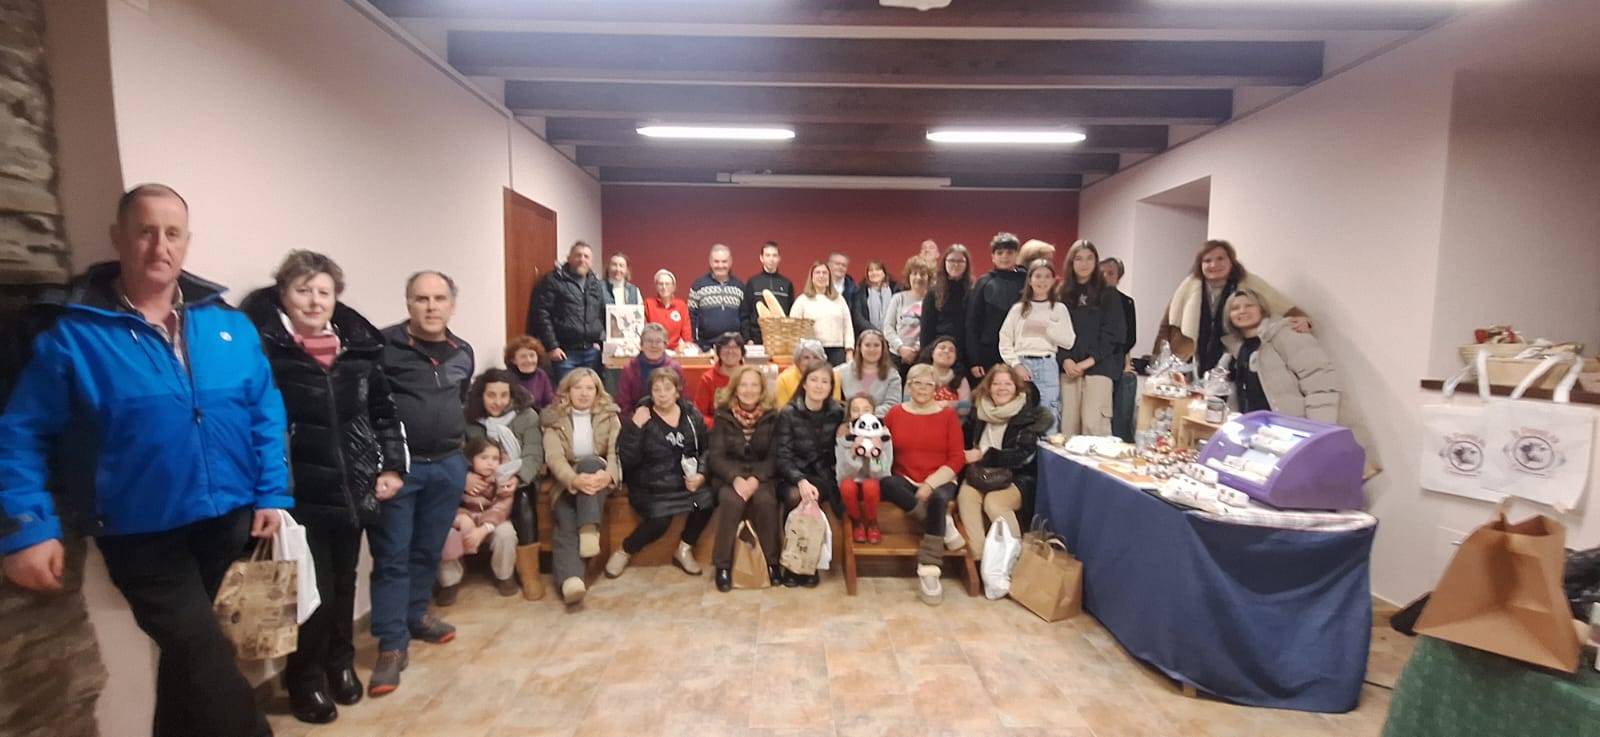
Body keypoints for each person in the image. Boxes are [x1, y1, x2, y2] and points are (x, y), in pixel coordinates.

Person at [0, 184, 289, 737]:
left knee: (191, 661)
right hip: (139, 533)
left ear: (186, 243)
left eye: (173, 233)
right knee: (203, 654)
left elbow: (264, 409)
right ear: (119, 238)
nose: (161, 245)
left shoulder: (225, 324)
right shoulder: (71, 334)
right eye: (146, 231)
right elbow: (20, 433)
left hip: (226, 521)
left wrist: (273, 490)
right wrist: (27, 528)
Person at [240, 250, 406, 724]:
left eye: (324, 292)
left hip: (353, 487)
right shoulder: (266, 351)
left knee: (344, 579)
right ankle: (304, 679)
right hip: (297, 493)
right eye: (303, 290)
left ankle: (340, 664)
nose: (314, 301)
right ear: (283, 296)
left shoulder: (358, 351)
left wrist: (391, 465)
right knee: (309, 593)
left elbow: (384, 414)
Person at [372, 269, 476, 695]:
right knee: (393, 555)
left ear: (452, 305)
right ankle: (391, 645)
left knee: (428, 550)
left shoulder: (462, 352)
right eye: (421, 299)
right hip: (401, 470)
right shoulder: (383, 347)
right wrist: (385, 465)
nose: (431, 307)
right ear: (408, 303)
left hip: (449, 465)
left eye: (439, 299)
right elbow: (372, 409)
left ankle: (416, 617)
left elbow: (460, 399)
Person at [1221, 290, 1381, 475]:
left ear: (1262, 309)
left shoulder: (1287, 335)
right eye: (1235, 308)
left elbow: (1320, 382)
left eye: (1249, 305)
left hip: (1295, 433)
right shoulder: (1237, 348)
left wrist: (1317, 431)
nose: (1242, 311)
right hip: (1262, 436)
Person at [610, 369, 712, 578]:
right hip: (651, 486)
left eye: (668, 389)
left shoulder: (691, 415)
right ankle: (625, 550)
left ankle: (684, 549)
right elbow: (627, 459)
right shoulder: (641, 417)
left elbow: (708, 450)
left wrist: (701, 474)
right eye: (657, 389)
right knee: (660, 520)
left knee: (709, 500)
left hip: (686, 483)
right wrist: (635, 428)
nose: (662, 394)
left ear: (677, 391)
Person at [880, 364, 968, 606]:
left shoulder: (947, 415)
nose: (922, 388)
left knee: (939, 499)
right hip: (905, 478)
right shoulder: (895, 414)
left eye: (928, 383)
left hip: (941, 478)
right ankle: (944, 526)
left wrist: (930, 484)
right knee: (887, 484)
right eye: (917, 382)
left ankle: (929, 568)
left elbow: (957, 457)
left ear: (936, 388)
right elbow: (881, 447)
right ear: (909, 386)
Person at [1155, 239, 1311, 373]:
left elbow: (1280, 305)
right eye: (1207, 261)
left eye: (1220, 259)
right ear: (1200, 265)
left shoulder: (1249, 283)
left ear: (1231, 261)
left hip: (1233, 360)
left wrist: (1303, 320)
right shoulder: (1189, 286)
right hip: (1188, 361)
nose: (1214, 264)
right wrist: (1156, 361)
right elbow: (1168, 324)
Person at [462, 368, 546, 600]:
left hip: (516, 476)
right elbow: (457, 453)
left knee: (525, 499)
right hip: (477, 479)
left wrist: (517, 478)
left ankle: (530, 574)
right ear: (481, 395)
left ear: (512, 395)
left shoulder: (527, 416)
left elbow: (533, 454)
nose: (497, 402)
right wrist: (465, 476)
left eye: (503, 395)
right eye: (491, 395)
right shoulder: (468, 418)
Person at [541, 368, 621, 606]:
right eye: (578, 388)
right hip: (567, 479)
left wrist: (609, 476)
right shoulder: (553, 418)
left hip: (600, 473)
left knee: (589, 462)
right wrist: (573, 480)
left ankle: (588, 530)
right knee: (565, 515)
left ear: (597, 391)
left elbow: (615, 452)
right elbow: (554, 457)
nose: (584, 394)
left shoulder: (609, 414)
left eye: (589, 388)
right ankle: (571, 581)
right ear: (568, 390)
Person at [957, 365, 1053, 562]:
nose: (1001, 388)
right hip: (979, 474)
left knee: (994, 502)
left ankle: (1016, 558)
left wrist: (986, 455)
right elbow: (964, 441)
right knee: (966, 496)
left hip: (1016, 477)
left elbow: (1023, 456)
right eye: (996, 384)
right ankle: (980, 556)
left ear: (1017, 388)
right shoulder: (979, 411)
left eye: (1007, 384)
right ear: (988, 387)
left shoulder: (1028, 416)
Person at [706, 365, 783, 592]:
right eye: (744, 385)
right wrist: (735, 478)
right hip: (730, 476)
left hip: (763, 475)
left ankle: (771, 562)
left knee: (765, 501)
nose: (749, 390)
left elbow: (775, 456)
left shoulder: (772, 416)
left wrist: (756, 478)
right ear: (735, 389)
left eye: (754, 385)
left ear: (762, 389)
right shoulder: (722, 414)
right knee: (732, 502)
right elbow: (716, 456)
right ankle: (723, 565)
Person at [774, 364, 846, 587]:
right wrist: (800, 479)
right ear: (804, 384)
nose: (819, 386)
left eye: (825, 381)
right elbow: (782, 455)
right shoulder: (788, 413)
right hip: (792, 474)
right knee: (796, 496)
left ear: (831, 387)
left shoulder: (838, 412)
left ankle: (810, 564)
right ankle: (793, 563)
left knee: (813, 496)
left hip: (824, 475)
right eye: (813, 380)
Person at [1055, 241, 1126, 437]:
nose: (1084, 264)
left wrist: (1088, 361)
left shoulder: (1108, 294)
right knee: (1069, 427)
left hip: (1099, 368)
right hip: (1069, 369)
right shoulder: (1061, 293)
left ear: (1096, 262)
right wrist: (1066, 359)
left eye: (1089, 258)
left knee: (1093, 426)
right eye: (1078, 258)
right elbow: (1054, 331)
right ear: (1071, 262)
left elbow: (1113, 334)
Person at [436, 438, 518, 601]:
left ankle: (504, 575)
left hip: (492, 522)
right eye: (484, 458)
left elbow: (502, 508)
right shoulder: (457, 479)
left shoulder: (503, 480)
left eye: (495, 459)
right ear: (471, 459)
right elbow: (445, 504)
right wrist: (461, 519)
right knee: (443, 535)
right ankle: (449, 581)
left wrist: (484, 528)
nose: (490, 463)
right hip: (462, 521)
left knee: (506, 534)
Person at [999, 259, 1076, 425]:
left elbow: (1069, 341)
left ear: (1053, 280)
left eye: (1047, 276)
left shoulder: (1059, 309)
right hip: (1022, 363)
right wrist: (1015, 364)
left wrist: (1046, 328)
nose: (1042, 281)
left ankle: (1046, 450)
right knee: (1021, 413)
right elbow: (1005, 340)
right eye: (1038, 276)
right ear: (1030, 280)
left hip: (1047, 365)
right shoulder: (1018, 309)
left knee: (1049, 414)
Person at [531, 240, 605, 380]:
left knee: (590, 394)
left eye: (586, 256)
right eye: (578, 255)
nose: (582, 259)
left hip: (592, 353)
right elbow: (542, 314)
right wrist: (552, 346)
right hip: (565, 353)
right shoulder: (553, 280)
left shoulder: (595, 284)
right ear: (569, 258)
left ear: (591, 261)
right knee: (566, 395)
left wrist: (599, 341)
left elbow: (600, 314)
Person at [966, 232, 1027, 381]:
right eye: (1000, 253)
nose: (1004, 257)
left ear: (1017, 255)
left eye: (1009, 252)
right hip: (988, 352)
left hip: (1020, 351)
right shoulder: (983, 283)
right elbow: (972, 324)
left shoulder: (1028, 281)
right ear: (992, 256)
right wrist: (975, 360)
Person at [836, 395, 892, 545]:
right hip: (851, 485)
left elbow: (885, 472)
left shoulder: (884, 434)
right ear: (849, 414)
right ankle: (857, 521)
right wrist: (853, 453)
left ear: (874, 412)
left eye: (866, 409)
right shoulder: (843, 435)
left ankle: (872, 522)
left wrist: (877, 454)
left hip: (874, 486)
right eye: (855, 410)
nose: (861, 414)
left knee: (871, 485)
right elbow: (841, 475)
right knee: (847, 485)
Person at [1099, 257, 1138, 442]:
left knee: (1119, 418)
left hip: (1117, 364)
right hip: (1094, 365)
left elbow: (1130, 338)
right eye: (1102, 272)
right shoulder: (1087, 301)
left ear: (1119, 277)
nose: (1105, 276)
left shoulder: (1126, 302)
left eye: (1111, 273)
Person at [790, 261, 854, 366]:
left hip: (837, 351)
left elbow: (847, 326)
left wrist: (849, 351)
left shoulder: (839, 299)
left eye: (824, 273)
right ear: (812, 278)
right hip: (812, 352)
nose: (821, 276)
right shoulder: (802, 300)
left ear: (829, 277)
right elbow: (793, 328)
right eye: (817, 272)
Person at [921, 244, 972, 368]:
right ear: (944, 262)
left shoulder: (973, 291)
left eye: (960, 261)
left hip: (966, 353)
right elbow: (927, 329)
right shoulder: (934, 292)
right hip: (939, 351)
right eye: (951, 260)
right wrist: (926, 358)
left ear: (966, 265)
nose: (956, 264)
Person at [615, 323, 686, 411]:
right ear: (641, 345)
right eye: (649, 341)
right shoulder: (629, 370)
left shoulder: (675, 368)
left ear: (665, 345)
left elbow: (683, 400)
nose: (653, 345)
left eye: (658, 341)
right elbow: (623, 405)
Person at [688, 244, 745, 350]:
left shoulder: (740, 286)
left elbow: (744, 318)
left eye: (724, 261)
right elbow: (691, 316)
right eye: (716, 261)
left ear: (730, 262)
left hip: (733, 346)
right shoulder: (699, 285)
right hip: (705, 346)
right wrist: (693, 341)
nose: (720, 265)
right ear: (710, 262)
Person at [886, 256, 934, 377]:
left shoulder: (933, 301)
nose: (918, 277)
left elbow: (932, 329)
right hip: (896, 356)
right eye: (914, 274)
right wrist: (901, 348)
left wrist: (916, 349)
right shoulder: (898, 298)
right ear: (909, 276)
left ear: (929, 278)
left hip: (921, 357)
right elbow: (888, 327)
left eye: (923, 274)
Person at [837, 329, 903, 415]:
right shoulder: (842, 371)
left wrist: (865, 412)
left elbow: (893, 405)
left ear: (883, 348)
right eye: (867, 345)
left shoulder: (892, 375)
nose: (872, 349)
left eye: (876, 345)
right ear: (859, 347)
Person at [742, 240, 795, 344]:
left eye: (774, 255)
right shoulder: (753, 282)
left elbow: (791, 313)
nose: (771, 259)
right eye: (768, 255)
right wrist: (747, 338)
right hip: (757, 337)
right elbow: (745, 313)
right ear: (761, 258)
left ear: (779, 258)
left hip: (781, 337)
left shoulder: (787, 283)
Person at [694, 332, 747, 426]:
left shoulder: (751, 376)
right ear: (718, 351)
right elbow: (699, 414)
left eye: (735, 347)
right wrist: (717, 425)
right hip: (717, 430)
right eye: (726, 347)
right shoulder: (708, 379)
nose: (730, 352)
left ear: (742, 352)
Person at [775, 338, 843, 408]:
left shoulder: (834, 376)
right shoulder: (783, 379)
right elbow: (782, 411)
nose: (811, 362)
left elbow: (835, 405)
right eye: (806, 358)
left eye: (816, 357)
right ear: (798, 361)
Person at [920, 335, 972, 418]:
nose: (946, 351)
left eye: (951, 350)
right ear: (932, 352)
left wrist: (949, 404)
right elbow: (907, 402)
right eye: (942, 347)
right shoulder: (918, 375)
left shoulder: (961, 380)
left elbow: (965, 408)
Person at [504, 335, 556, 412]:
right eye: (523, 356)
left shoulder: (541, 375)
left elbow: (549, 402)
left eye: (532, 355)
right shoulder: (506, 377)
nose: (529, 360)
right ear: (513, 360)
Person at [643, 269, 693, 350]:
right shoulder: (648, 304)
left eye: (667, 284)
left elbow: (686, 330)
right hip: (654, 349)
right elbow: (644, 330)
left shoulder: (681, 305)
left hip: (677, 350)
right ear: (656, 286)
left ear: (674, 287)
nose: (664, 287)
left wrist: (687, 345)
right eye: (660, 284)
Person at [851, 259, 897, 336]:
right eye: (871, 270)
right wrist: (875, 332)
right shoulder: (860, 292)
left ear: (884, 273)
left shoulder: (896, 290)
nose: (874, 273)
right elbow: (858, 317)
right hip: (869, 336)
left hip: (893, 336)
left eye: (878, 269)